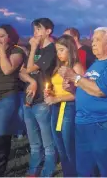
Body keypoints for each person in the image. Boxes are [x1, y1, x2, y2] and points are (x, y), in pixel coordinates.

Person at [58, 27, 107, 177]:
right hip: (83, 124)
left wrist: (76, 78)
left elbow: (100, 91)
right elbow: (87, 91)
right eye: (93, 39)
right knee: (85, 171)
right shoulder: (95, 64)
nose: (93, 43)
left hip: (105, 124)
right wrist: (73, 89)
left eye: (97, 39)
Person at [20, 18, 57, 177]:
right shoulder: (31, 48)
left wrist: (34, 48)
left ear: (48, 31)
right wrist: (31, 81)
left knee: (47, 142)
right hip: (28, 99)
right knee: (34, 141)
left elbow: (29, 68)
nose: (35, 33)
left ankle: (47, 171)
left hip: (43, 100)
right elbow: (22, 72)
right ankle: (33, 169)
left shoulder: (51, 50)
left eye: (38, 29)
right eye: (34, 29)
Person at [45, 35, 85, 177]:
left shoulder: (76, 67)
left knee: (70, 148)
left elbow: (81, 93)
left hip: (69, 108)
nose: (59, 53)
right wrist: (50, 93)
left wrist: (57, 99)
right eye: (57, 50)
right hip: (56, 108)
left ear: (70, 49)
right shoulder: (59, 67)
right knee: (60, 147)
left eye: (62, 50)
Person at [0, 25, 25, 176]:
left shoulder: (16, 51)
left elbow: (7, 70)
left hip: (6, 97)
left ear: (10, 37)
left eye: (1, 36)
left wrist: (1, 52)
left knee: (1, 135)